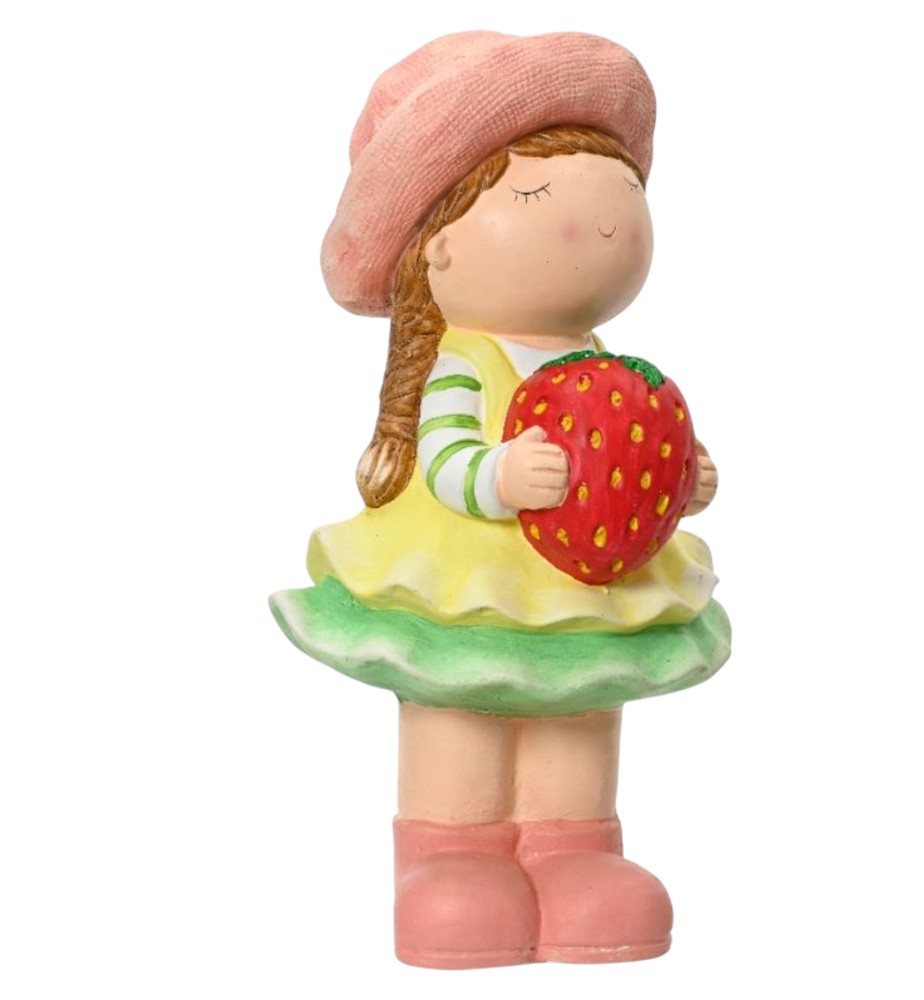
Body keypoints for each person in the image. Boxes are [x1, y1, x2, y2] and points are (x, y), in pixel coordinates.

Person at [271, 30, 731, 969]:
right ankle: (454, 852)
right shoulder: (464, 361)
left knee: (580, 710)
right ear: (436, 249)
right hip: (466, 576)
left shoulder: (610, 367)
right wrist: (499, 477)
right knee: (463, 711)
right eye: (534, 195)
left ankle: (574, 849)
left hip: (587, 588)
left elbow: (634, 452)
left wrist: (684, 479)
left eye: (625, 190)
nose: (607, 219)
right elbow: (445, 454)